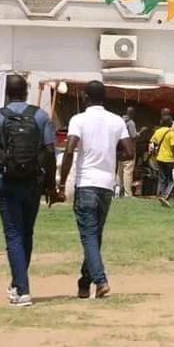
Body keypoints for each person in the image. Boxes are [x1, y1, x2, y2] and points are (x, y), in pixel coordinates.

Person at [59, 80, 133, 299]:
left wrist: (61, 183)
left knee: (89, 236)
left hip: (86, 183)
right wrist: (111, 155)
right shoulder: (116, 120)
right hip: (106, 185)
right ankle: (84, 283)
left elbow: (70, 149)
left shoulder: (78, 120)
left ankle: (100, 281)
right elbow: (129, 152)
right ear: (105, 97)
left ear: (84, 97)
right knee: (95, 235)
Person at [0, 75, 57, 307]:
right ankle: (18, 284)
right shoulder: (40, 116)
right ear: (27, 93)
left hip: (6, 182)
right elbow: (49, 151)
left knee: (14, 235)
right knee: (26, 233)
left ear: (7, 93)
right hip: (33, 182)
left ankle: (22, 289)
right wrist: (50, 184)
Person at [150, 115, 174, 208]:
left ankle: (161, 194)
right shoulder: (171, 133)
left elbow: (152, 142)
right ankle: (165, 196)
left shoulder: (157, 132)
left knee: (163, 179)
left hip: (159, 158)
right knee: (172, 180)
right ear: (170, 123)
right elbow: (173, 148)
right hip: (169, 159)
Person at [117, 106, 147, 198]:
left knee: (119, 172)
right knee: (128, 172)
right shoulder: (130, 123)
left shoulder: (119, 121)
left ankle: (118, 192)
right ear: (133, 113)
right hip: (129, 151)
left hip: (120, 151)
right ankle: (127, 194)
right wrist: (141, 131)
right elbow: (134, 136)